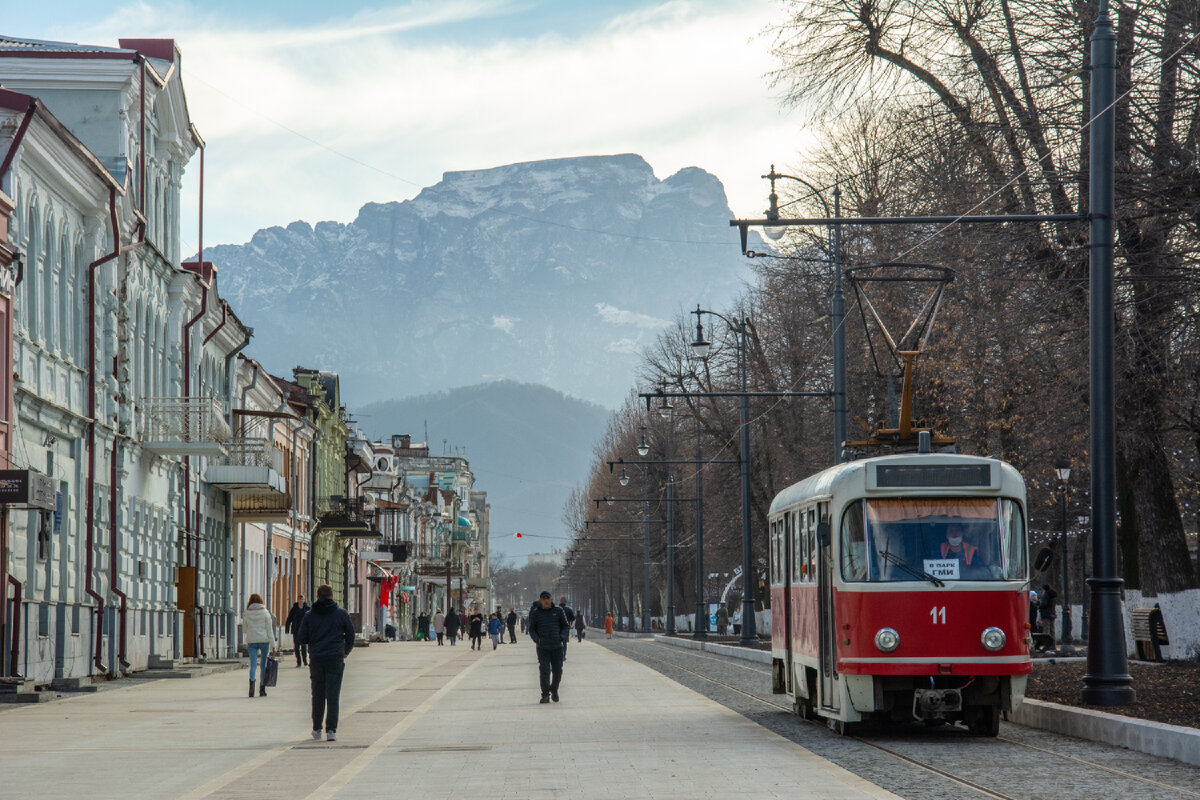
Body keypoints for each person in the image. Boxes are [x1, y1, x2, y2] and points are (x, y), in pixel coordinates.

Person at [295, 584, 355, 742]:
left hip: (316, 658)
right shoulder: (341, 614)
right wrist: (345, 651)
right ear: (332, 596)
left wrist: (314, 641)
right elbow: (351, 634)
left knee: (318, 694)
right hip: (335, 657)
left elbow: (302, 638)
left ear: (317, 596)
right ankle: (331, 731)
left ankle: (317, 729)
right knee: (333, 695)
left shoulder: (309, 615)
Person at [528, 590, 570, 703]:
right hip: (543, 647)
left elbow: (566, 626)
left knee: (557, 671)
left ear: (551, 599)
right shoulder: (536, 613)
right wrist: (537, 639)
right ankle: (545, 694)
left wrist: (562, 637)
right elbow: (531, 629)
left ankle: (554, 690)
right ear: (540, 600)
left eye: (548, 598)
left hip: (557, 646)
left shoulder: (558, 611)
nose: (546, 600)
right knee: (544, 671)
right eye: (543, 598)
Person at [241, 593, 276, 698]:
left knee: (253, 665)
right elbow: (269, 630)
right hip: (264, 640)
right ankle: (262, 689)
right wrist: (273, 645)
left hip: (251, 641)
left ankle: (251, 686)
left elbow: (244, 630)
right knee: (263, 665)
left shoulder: (246, 613)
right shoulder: (265, 613)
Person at [284, 595, 310, 667]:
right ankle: (299, 662)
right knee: (296, 647)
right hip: (296, 630)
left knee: (304, 646)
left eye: (302, 599)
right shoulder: (294, 609)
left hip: (304, 630)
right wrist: (287, 629)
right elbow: (289, 619)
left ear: (304, 600)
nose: (301, 601)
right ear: (297, 600)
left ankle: (305, 661)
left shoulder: (307, 609)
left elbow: (311, 620)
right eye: (299, 599)